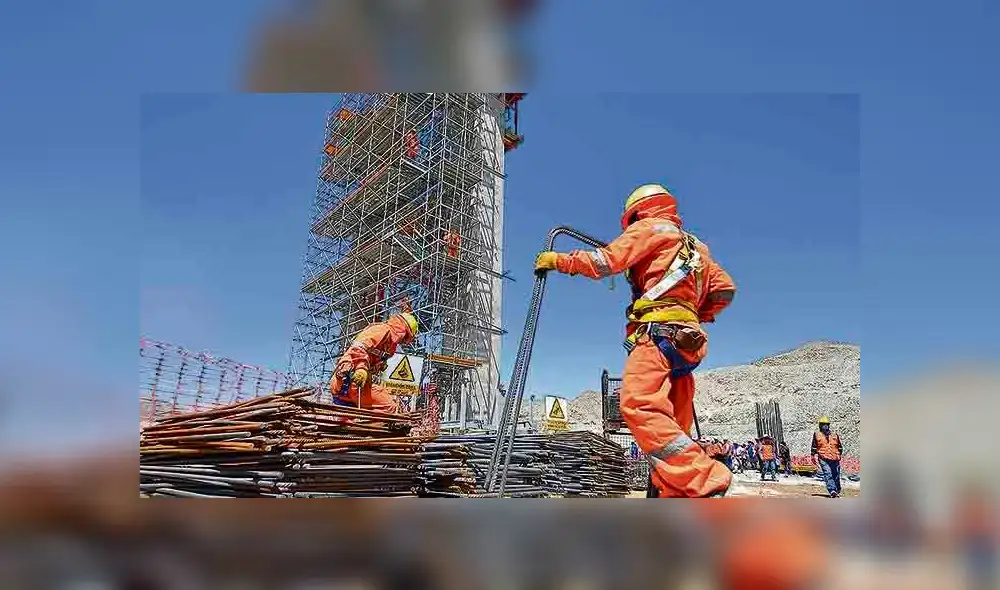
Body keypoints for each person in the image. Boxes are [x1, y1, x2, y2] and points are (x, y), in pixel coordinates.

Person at [535, 184, 736, 497]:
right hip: (688, 341)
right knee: (672, 428)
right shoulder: (698, 247)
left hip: (658, 333)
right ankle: (674, 497)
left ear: (635, 213)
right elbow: (725, 290)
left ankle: (704, 479)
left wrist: (559, 261)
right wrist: (694, 311)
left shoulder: (647, 228)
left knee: (638, 405)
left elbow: (605, 261)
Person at [328, 312, 419, 413]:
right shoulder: (382, 330)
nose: (404, 342)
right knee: (389, 406)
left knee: (345, 425)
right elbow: (359, 347)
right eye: (406, 338)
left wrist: (378, 366)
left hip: (350, 386)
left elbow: (372, 356)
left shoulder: (390, 345)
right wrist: (361, 368)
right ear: (403, 331)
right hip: (351, 380)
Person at [811, 416, 843, 497]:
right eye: (823, 425)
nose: (825, 426)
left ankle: (837, 488)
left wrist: (839, 454)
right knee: (828, 473)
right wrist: (812, 456)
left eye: (826, 424)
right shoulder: (817, 435)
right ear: (820, 426)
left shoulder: (835, 435)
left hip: (835, 458)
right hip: (823, 458)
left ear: (829, 425)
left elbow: (840, 446)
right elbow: (814, 446)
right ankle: (832, 490)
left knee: (836, 474)